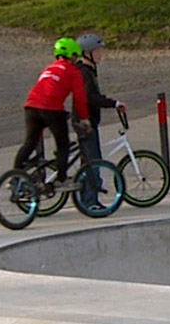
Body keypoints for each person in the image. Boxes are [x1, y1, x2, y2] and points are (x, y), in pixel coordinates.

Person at [13, 37, 91, 194]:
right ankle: (62, 180)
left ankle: (15, 177)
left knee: (29, 142)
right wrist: (84, 118)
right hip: (52, 108)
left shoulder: (48, 68)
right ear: (73, 55)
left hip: (31, 105)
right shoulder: (72, 71)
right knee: (63, 144)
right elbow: (79, 97)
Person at [73, 33, 126, 210]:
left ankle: (85, 197)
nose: (100, 54)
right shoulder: (85, 73)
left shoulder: (87, 71)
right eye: (97, 51)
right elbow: (90, 98)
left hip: (87, 120)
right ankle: (89, 202)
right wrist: (113, 103)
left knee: (87, 160)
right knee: (93, 161)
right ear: (86, 53)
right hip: (85, 121)